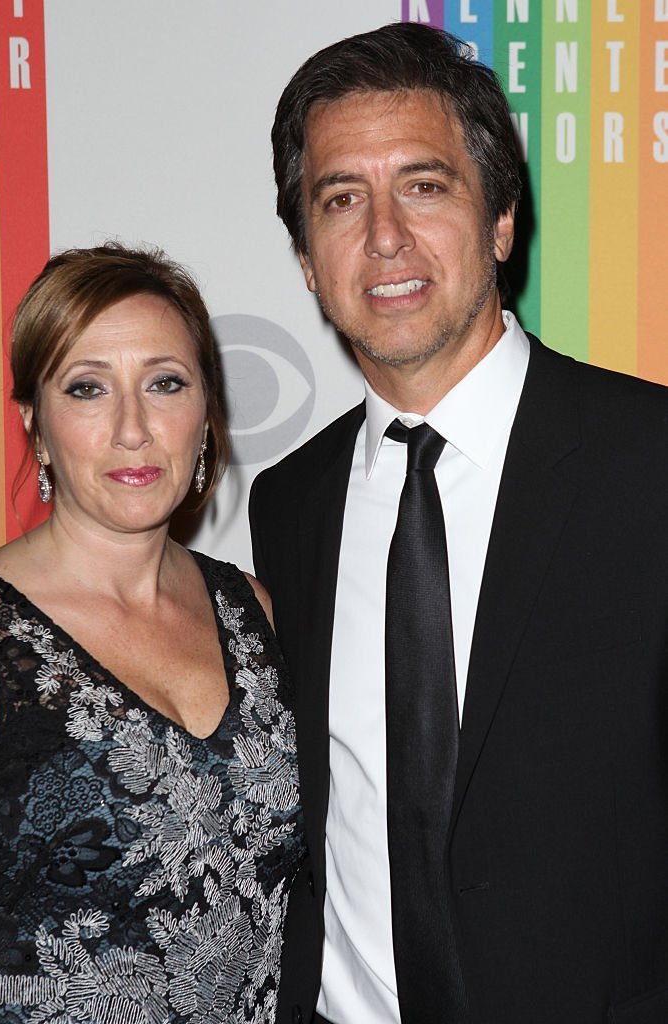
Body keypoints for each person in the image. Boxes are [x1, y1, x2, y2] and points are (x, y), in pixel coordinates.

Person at [249, 22, 668, 1024]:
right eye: (340, 199)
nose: (383, 235)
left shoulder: (649, 461)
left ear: (500, 222)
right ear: (308, 260)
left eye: (424, 185)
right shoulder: (289, 502)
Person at [0, 243, 305, 1023]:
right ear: (35, 422)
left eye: (165, 383)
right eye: (88, 389)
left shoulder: (255, 615)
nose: (133, 428)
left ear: (206, 413)